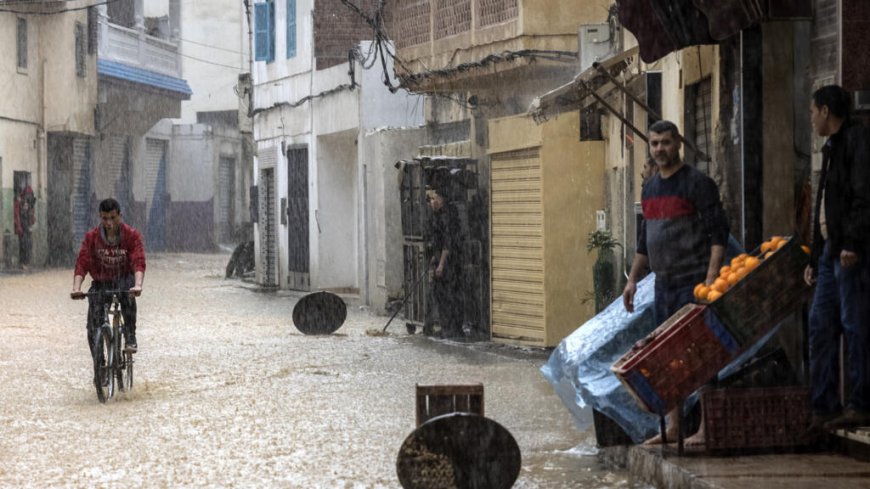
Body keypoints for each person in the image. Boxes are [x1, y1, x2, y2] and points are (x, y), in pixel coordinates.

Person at [623, 120, 730, 446]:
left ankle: (707, 430)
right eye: (654, 144)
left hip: (693, 283)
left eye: (666, 143)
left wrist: (711, 277)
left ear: (678, 143)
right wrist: (631, 281)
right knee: (669, 359)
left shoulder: (697, 184)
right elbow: (645, 239)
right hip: (662, 285)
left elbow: (718, 232)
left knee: (702, 354)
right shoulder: (650, 188)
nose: (660, 149)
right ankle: (674, 427)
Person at [804, 85, 870, 432]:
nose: (811, 117)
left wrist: (853, 243)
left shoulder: (857, 141)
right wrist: (814, 257)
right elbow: (823, 206)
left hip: (848, 252)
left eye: (813, 111)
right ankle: (824, 405)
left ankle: (860, 402)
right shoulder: (830, 148)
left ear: (826, 111)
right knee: (820, 324)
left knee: (855, 324)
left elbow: (862, 194)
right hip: (830, 253)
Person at [71, 198, 146, 354]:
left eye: (113, 218)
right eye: (105, 218)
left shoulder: (131, 236)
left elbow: (138, 260)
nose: (109, 222)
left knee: (128, 297)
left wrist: (138, 285)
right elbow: (82, 263)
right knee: (93, 325)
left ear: (120, 216)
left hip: (124, 279)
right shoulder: (92, 238)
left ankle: (130, 336)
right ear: (100, 217)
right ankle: (99, 369)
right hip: (101, 282)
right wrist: (76, 288)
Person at [427, 187, 464, 339]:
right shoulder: (440, 215)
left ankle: (450, 328)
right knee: (446, 296)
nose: (431, 202)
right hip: (447, 261)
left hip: (449, 264)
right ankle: (449, 327)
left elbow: (447, 244)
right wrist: (434, 258)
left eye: (434, 198)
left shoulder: (446, 217)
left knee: (447, 296)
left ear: (441, 201)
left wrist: (441, 264)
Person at [13, 185, 35, 271]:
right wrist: (19, 227)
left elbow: (32, 217)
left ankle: (25, 263)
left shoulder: (29, 203)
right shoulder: (19, 203)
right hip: (23, 227)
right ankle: (23, 263)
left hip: (27, 228)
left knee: (28, 245)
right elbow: (17, 215)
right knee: (23, 246)